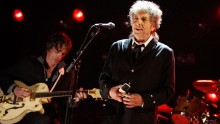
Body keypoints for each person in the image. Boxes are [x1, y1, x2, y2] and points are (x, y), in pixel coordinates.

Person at [98, 0, 175, 124]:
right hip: (112, 118)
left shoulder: (165, 53)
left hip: (142, 119)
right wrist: (110, 92)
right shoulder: (117, 47)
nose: (138, 22)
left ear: (153, 26)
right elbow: (103, 79)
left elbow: (168, 91)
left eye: (144, 19)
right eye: (135, 18)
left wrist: (143, 99)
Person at [0, 32, 87, 124]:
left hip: (48, 114)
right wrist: (15, 88)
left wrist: (73, 100)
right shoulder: (29, 64)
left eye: (63, 53)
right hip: (19, 110)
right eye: (57, 51)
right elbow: (2, 76)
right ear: (49, 47)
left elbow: (64, 104)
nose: (59, 56)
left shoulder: (68, 75)